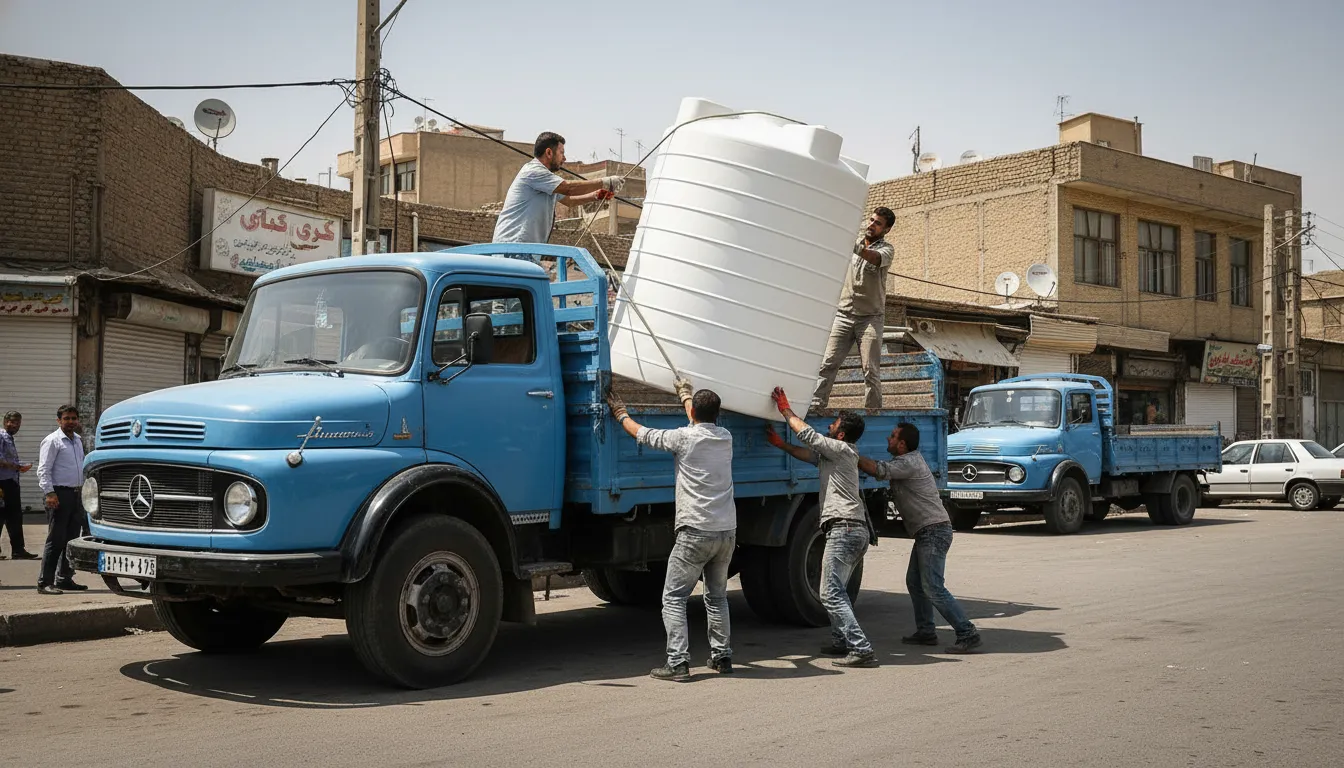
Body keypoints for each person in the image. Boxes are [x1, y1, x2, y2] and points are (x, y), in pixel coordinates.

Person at [607, 378, 736, 682]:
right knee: (717, 597)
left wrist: (620, 412)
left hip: (695, 532)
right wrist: (686, 395)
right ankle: (722, 657)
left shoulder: (682, 439)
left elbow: (641, 433)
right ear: (718, 415)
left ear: (693, 415)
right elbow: (698, 418)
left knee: (674, 598)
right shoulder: (726, 437)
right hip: (726, 531)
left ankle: (677, 662)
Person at [764, 387, 877, 668]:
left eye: (834, 424)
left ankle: (860, 647)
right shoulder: (839, 454)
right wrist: (780, 445)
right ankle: (841, 640)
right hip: (850, 529)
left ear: (840, 435)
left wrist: (785, 409)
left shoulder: (839, 449)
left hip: (845, 529)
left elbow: (809, 436)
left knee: (830, 592)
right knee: (836, 588)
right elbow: (808, 455)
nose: (829, 425)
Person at [858, 422, 982, 653]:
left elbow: (878, 470)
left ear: (902, 444)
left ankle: (967, 632)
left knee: (932, 586)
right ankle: (926, 631)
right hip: (929, 530)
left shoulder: (908, 462)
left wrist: (850, 453)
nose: (888, 439)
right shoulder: (907, 460)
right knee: (916, 583)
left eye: (892, 436)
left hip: (933, 530)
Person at [812, 207, 897, 411]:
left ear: (886, 229)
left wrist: (853, 246)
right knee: (827, 364)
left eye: (877, 223)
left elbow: (874, 258)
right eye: (871, 220)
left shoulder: (886, 249)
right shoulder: (854, 242)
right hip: (844, 314)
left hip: (870, 318)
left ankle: (872, 412)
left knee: (870, 370)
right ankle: (816, 406)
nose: (871, 225)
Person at [491, 131, 626, 257]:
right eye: (561, 153)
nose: (565, 158)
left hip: (523, 250)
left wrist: (595, 195)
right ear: (549, 152)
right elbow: (567, 188)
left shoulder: (547, 180)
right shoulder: (534, 172)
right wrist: (605, 181)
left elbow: (569, 200)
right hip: (512, 248)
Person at [36, 405, 88, 595]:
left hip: (75, 494)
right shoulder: (52, 441)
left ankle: (64, 578)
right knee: (55, 540)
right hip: (58, 494)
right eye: (66, 418)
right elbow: (43, 470)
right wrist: (49, 493)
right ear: (59, 421)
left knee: (71, 539)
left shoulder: (78, 440)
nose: (71, 422)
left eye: (74, 418)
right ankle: (44, 582)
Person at [1, 410, 39, 560]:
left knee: (14, 517)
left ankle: (18, 550)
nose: (14, 425)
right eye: (11, 422)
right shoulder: (1, 436)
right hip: (3, 484)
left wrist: (18, 466)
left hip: (11, 482)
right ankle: (18, 550)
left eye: (17, 422)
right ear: (5, 422)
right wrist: (17, 467)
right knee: (4, 516)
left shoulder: (9, 438)